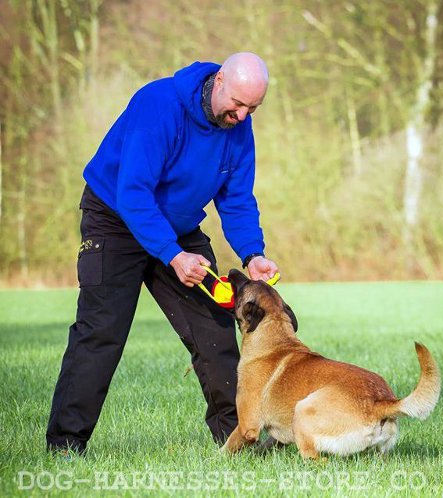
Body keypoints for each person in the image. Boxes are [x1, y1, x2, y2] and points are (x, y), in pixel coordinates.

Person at [46, 52, 279, 454]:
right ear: (219, 81)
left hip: (178, 227)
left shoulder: (240, 129)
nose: (241, 116)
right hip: (116, 219)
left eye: (252, 108)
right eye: (238, 104)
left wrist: (251, 254)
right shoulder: (158, 106)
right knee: (101, 333)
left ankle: (238, 439)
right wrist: (172, 256)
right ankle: (66, 445)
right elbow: (133, 193)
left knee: (215, 329)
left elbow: (237, 197)